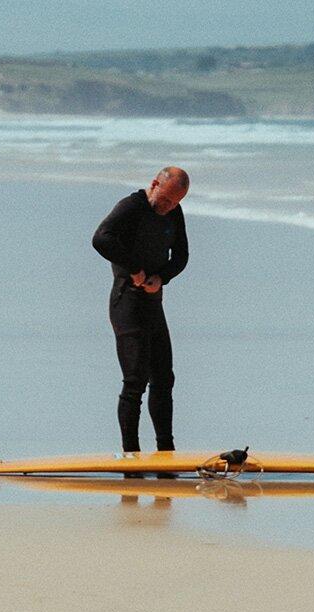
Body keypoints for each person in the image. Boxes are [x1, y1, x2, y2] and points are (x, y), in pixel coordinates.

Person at [90, 166, 190, 455]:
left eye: (175, 203)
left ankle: (165, 452)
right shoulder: (131, 207)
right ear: (154, 183)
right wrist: (133, 268)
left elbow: (181, 256)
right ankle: (130, 454)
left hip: (153, 302)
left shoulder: (174, 212)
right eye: (167, 199)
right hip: (127, 301)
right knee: (135, 381)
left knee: (164, 378)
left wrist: (162, 278)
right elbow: (101, 238)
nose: (169, 207)